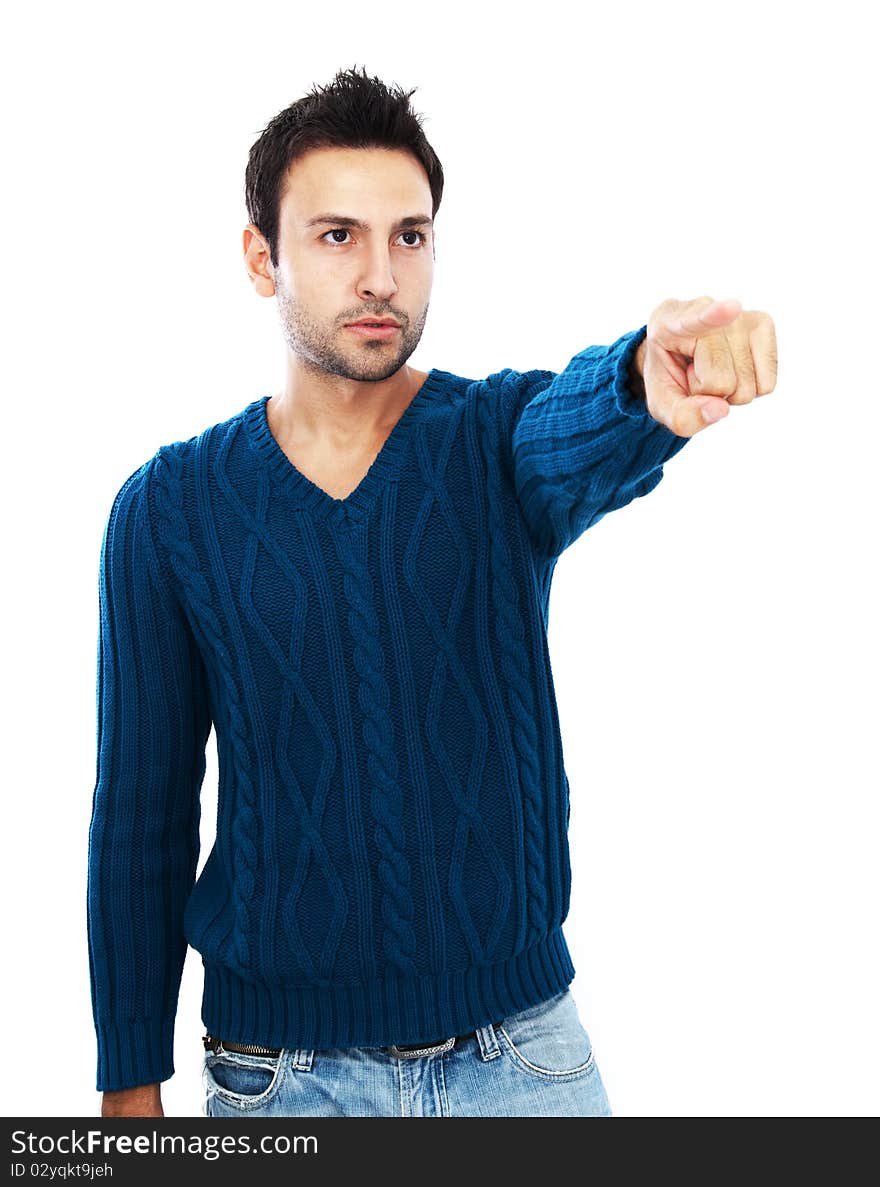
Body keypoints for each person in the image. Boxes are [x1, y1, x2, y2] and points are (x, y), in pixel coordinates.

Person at [87, 65, 776, 1119]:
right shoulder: (167, 510)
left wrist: (644, 373)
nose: (379, 275)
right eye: (336, 236)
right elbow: (141, 813)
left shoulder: (495, 441)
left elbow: (576, 429)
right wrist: (129, 1084)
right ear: (259, 257)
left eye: (409, 236)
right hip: (280, 1079)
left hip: (524, 1061)